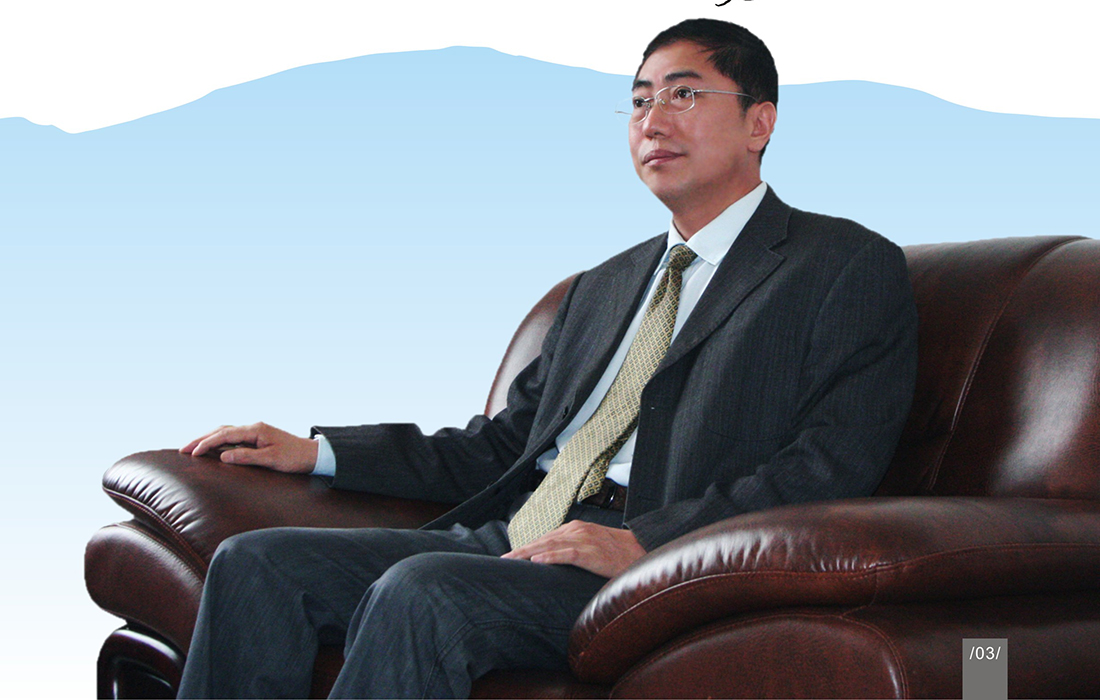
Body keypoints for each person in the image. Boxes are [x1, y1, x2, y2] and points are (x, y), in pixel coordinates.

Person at [177, 18, 918, 699]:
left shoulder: (842, 266)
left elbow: (827, 468)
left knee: (421, 592)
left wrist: (647, 543)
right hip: (519, 537)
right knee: (254, 565)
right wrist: (318, 453)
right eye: (639, 102)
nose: (652, 121)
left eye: (684, 94)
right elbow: (503, 446)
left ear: (760, 122)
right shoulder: (603, 287)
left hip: (650, 568)